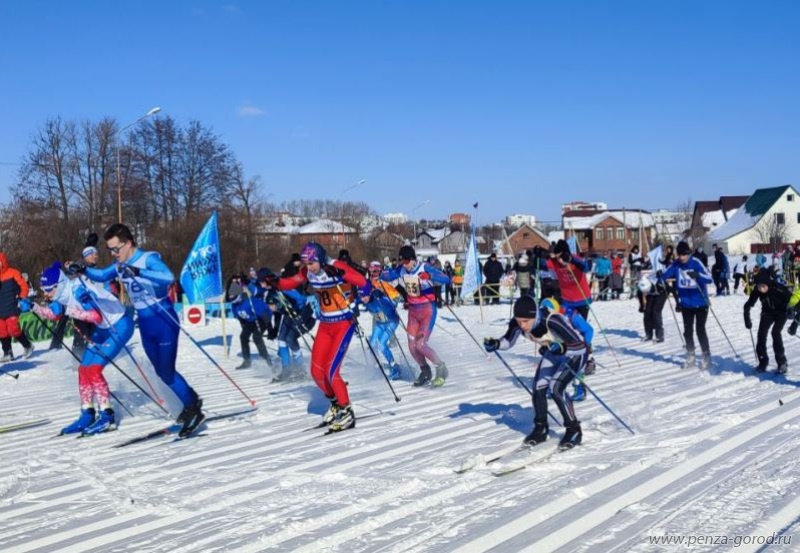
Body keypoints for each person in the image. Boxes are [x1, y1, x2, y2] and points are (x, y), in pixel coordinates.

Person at [78, 223, 205, 437]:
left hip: (163, 321)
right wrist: (82, 269)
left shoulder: (148, 259)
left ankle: (193, 408)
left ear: (128, 243)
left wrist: (138, 271)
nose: (113, 253)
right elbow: (101, 276)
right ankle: (191, 400)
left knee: (167, 371)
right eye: (110, 250)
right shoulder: (120, 265)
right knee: (161, 372)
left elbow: (168, 277)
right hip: (145, 324)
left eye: (116, 249)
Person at [24, 262, 134, 435]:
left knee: (94, 370)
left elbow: (95, 317)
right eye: (43, 290)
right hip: (104, 329)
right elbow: (54, 314)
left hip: (119, 325)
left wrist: (67, 310)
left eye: (49, 290)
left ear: (59, 285)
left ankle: (107, 416)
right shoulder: (62, 294)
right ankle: (87, 414)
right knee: (83, 369)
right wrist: (33, 307)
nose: (45, 294)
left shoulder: (77, 290)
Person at [267, 242, 368, 431]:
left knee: (331, 371)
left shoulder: (337, 266)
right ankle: (336, 403)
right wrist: (277, 282)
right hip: (326, 325)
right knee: (316, 372)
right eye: (306, 263)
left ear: (321, 259)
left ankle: (347, 411)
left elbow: (361, 281)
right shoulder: (308, 272)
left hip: (344, 323)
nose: (309, 267)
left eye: (312, 263)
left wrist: (341, 274)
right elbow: (292, 282)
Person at [483, 295, 586, 449]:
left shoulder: (551, 320)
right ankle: (541, 428)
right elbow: (508, 341)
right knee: (538, 387)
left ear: (535, 315)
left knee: (556, 388)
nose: (523, 325)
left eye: (526, 321)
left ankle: (574, 430)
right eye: (519, 321)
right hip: (553, 352)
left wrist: (563, 348)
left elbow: (581, 346)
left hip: (574, 354)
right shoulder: (518, 323)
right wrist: (496, 344)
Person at [380, 245, 450, 387]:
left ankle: (441, 368)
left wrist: (430, 276)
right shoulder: (402, 270)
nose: (405, 265)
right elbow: (390, 275)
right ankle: (425, 370)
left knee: (421, 344)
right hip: (413, 312)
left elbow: (446, 279)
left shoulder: (425, 267)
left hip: (427, 311)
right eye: (403, 262)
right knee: (412, 347)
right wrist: (379, 274)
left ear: (413, 260)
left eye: (407, 262)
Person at [660, 241, 713, 369]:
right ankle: (691, 355)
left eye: (684, 255)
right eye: (680, 255)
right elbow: (664, 275)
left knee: (700, 330)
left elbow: (709, 278)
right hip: (686, 304)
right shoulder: (676, 264)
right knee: (687, 331)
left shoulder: (696, 262)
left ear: (688, 254)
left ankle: (706, 356)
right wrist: (660, 277)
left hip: (700, 303)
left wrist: (698, 275)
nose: (682, 258)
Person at [262, 270, 313, 381]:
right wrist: (273, 329)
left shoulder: (283, 289)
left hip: (302, 314)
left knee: (290, 338)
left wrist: (298, 309)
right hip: (288, 316)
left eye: (263, 282)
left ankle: (300, 369)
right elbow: (276, 314)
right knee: (281, 339)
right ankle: (286, 370)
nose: (261, 284)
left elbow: (301, 299)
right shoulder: (271, 293)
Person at [744, 270, 793, 375]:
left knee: (775, 332)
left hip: (781, 313)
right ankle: (763, 361)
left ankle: (782, 362)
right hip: (767, 313)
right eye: (758, 287)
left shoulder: (778, 288)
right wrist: (747, 319)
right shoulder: (757, 291)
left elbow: (792, 299)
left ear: (767, 283)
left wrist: (790, 310)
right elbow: (748, 305)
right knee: (761, 334)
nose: (760, 289)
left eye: (762, 286)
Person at [228, 273, 272, 371]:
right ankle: (247, 360)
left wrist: (269, 327)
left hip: (262, 319)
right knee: (243, 336)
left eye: (234, 299)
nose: (233, 302)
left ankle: (267, 359)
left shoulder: (250, 302)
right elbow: (240, 318)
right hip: (250, 321)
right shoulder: (234, 305)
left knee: (256, 337)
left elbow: (265, 313)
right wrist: (244, 326)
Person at [360, 280, 402, 381]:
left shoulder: (380, 299)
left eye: (365, 296)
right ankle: (375, 365)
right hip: (380, 323)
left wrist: (385, 296)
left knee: (382, 345)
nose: (363, 299)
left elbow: (395, 301)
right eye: (361, 296)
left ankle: (394, 367)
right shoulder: (363, 299)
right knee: (372, 343)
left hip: (391, 322)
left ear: (370, 293)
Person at [0, 252, 34, 362]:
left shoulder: (13, 272)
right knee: (2, 331)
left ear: (3, 262)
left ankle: (27, 345)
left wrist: (22, 297)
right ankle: (7, 352)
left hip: (11, 307)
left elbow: (24, 286)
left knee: (13, 329)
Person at [638, 268, 667, 342]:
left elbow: (671, 289)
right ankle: (648, 334)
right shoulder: (642, 283)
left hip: (661, 294)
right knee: (647, 312)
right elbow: (639, 294)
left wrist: (677, 303)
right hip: (651, 295)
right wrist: (641, 306)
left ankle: (660, 336)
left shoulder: (657, 283)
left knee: (655, 312)